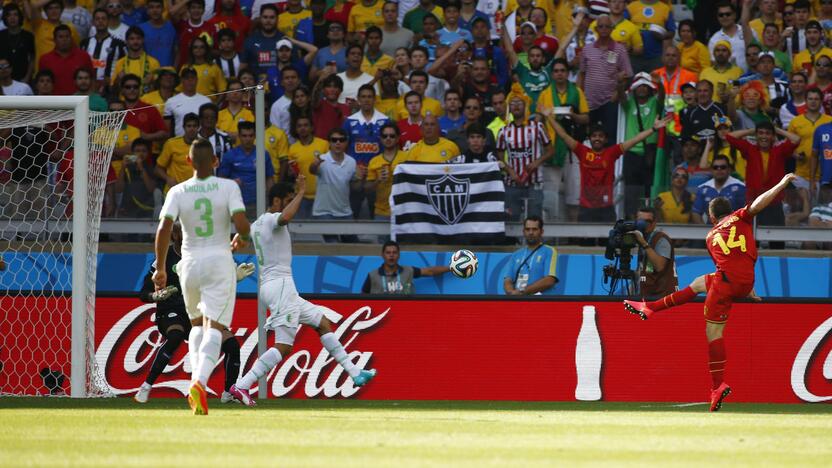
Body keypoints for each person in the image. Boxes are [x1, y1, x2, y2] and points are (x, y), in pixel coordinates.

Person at [624, 173, 798, 412]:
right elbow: (741, 251)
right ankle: (650, 308)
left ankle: (717, 386)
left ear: (712, 217)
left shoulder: (710, 236)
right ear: (731, 210)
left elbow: (727, 261)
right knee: (697, 284)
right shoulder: (742, 217)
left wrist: (781, 183)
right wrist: (780, 184)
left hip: (728, 283)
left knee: (713, 331)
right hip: (744, 280)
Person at [229, 179, 377, 406]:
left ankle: (354, 372)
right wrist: (301, 192)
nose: (291, 205)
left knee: (322, 322)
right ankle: (241, 386)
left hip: (279, 286)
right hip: (280, 286)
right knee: (284, 346)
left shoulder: (257, 223)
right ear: (276, 201)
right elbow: (285, 217)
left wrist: (237, 241)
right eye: (287, 201)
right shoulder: (270, 220)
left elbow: (244, 236)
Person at [153, 139, 252, 415]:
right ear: (216, 162)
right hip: (219, 261)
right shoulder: (228, 187)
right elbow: (243, 224)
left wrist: (161, 268)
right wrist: (241, 238)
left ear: (188, 161)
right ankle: (199, 382)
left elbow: (163, 229)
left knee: (196, 325)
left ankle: (194, 385)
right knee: (215, 328)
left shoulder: (177, 191)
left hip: (189, 263)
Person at [136, 222, 251, 404]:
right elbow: (143, 293)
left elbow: (214, 283)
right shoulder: (163, 260)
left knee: (231, 344)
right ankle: (146, 386)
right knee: (176, 335)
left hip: (197, 312)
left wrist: (233, 277)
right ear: (174, 235)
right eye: (181, 231)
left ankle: (228, 392)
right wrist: (156, 296)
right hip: (170, 311)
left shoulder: (200, 258)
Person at [545, 110, 670, 222]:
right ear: (590, 139)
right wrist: (549, 117)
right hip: (585, 208)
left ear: (605, 139)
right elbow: (563, 135)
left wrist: (653, 129)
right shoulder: (582, 151)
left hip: (606, 208)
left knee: (608, 245)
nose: (597, 139)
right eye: (594, 136)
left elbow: (634, 140)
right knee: (583, 245)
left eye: (600, 136)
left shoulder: (611, 152)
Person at [496, 86, 552, 220]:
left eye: (519, 103)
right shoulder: (503, 131)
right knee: (511, 219)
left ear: (526, 105)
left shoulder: (538, 127)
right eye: (513, 103)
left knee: (534, 219)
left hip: (534, 183)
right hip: (512, 183)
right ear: (509, 107)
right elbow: (499, 155)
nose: (516, 106)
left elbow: (550, 150)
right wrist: (509, 170)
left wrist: (536, 162)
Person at [310, 127, 361, 242]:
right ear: (329, 143)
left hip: (345, 211)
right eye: (334, 140)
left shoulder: (352, 161)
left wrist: (360, 178)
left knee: (352, 245)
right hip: (324, 212)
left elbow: (355, 187)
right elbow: (312, 170)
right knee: (333, 245)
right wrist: (314, 165)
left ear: (346, 142)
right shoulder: (322, 159)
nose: (338, 142)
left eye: (341, 140)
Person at [218, 121, 275, 216]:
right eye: (244, 136)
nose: (248, 139)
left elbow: (269, 178)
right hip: (236, 202)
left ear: (255, 136)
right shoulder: (230, 155)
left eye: (250, 135)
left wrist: (272, 200)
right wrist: (232, 183)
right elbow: (221, 180)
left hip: (258, 202)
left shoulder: (263, 154)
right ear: (239, 136)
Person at [362, 240, 451, 293]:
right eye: (388, 253)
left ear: (399, 255)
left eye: (394, 253)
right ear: (382, 255)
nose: (391, 255)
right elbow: (362, 299)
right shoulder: (372, 275)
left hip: (405, 316)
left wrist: (452, 268)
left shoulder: (408, 271)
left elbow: (430, 271)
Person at [503, 216, 557, 296]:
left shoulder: (549, 251)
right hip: (519, 302)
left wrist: (521, 292)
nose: (531, 232)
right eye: (527, 229)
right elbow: (508, 279)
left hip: (542, 303)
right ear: (523, 231)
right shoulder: (516, 254)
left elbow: (550, 280)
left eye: (534, 229)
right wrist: (511, 293)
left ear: (541, 232)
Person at [365, 123, 408, 221]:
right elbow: (367, 189)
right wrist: (378, 180)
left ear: (397, 138)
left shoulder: (407, 157)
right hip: (381, 211)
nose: (388, 138)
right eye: (385, 136)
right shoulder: (374, 161)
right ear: (380, 139)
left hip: (403, 210)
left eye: (392, 136)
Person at [632, 206, 677, 298]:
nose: (643, 224)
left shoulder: (661, 239)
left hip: (662, 297)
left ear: (654, 223)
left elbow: (659, 266)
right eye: (640, 221)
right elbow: (647, 269)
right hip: (648, 295)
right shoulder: (643, 238)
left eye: (647, 221)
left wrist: (644, 244)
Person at [38, 24, 93, 96]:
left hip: (78, 101)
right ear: (54, 40)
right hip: (54, 102)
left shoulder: (84, 56)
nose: (64, 40)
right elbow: (41, 84)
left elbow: (92, 79)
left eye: (67, 36)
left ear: (71, 38)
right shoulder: (45, 59)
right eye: (60, 37)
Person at [692, 154, 746, 224]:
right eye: (715, 167)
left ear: (729, 169)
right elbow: (696, 213)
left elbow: (745, 213)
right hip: (710, 231)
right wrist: (705, 231)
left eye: (723, 167)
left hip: (733, 231)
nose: (719, 169)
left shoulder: (740, 187)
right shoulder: (703, 188)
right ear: (711, 170)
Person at [164, 68, 211, 137]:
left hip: (200, 143)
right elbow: (167, 129)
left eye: (192, 78)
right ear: (182, 80)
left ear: (197, 80)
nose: (190, 81)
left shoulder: (206, 101)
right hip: (178, 143)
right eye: (187, 78)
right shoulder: (171, 101)